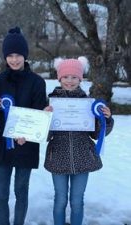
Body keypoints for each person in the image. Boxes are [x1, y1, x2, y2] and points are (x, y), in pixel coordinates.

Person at [44, 57, 114, 225]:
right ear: (59, 78)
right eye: (66, 77)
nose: (70, 81)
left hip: (82, 158)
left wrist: (107, 119)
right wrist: (44, 118)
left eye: (74, 77)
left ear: (80, 79)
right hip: (58, 158)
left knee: (77, 201)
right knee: (60, 199)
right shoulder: (51, 102)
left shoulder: (88, 103)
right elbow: (45, 136)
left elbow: (97, 134)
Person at [0, 27, 47, 225]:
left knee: (21, 191)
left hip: (26, 146)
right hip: (2, 146)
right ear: (5, 57)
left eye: (18, 55)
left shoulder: (37, 82)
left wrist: (28, 134)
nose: (14, 59)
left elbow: (39, 113)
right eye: (10, 55)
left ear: (25, 55)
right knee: (1, 193)